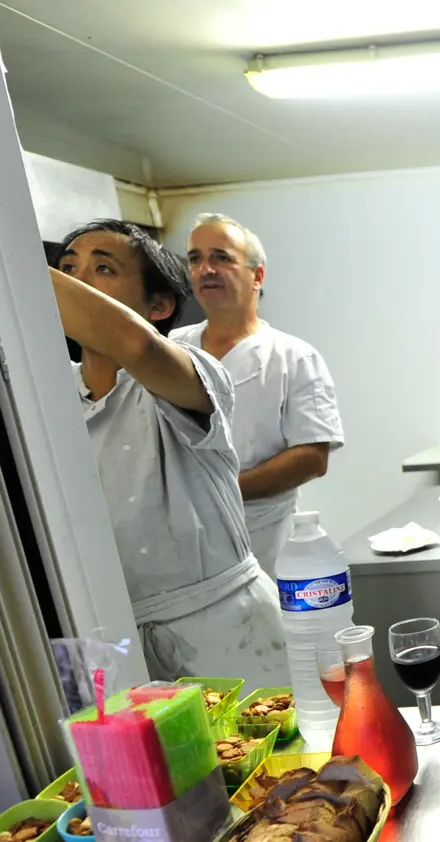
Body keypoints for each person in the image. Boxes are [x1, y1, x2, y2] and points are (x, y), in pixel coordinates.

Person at [51, 219, 287, 688]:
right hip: (116, 641)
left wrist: (5, 262)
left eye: (102, 268)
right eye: (68, 269)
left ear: (158, 305)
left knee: (277, 757)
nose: (78, 284)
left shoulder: (195, 371)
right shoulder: (52, 396)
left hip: (226, 630)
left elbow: (134, 344)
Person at [172, 213, 344, 577]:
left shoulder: (293, 356)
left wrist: (220, 490)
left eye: (221, 257)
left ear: (257, 276)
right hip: (177, 545)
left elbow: (312, 456)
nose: (206, 269)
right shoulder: (169, 350)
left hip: (263, 545)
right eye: (195, 259)